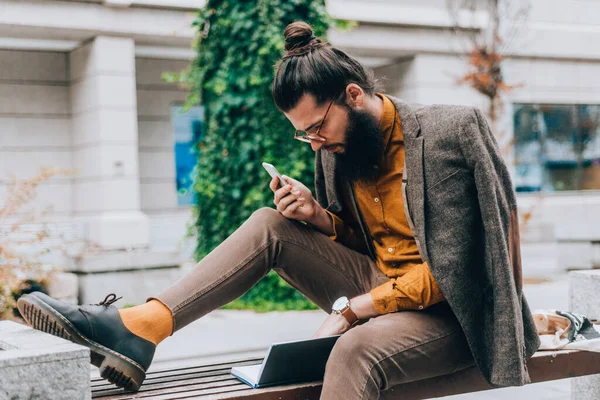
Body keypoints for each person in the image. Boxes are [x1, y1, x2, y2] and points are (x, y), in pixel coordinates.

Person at [17, 21, 540, 399]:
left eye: (316, 127)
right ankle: (141, 326)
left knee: (354, 352)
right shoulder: (340, 149)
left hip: (456, 316)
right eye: (302, 133)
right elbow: (365, 244)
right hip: (385, 289)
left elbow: (461, 271)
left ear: (354, 95)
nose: (312, 143)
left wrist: (352, 311)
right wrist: (317, 217)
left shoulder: (451, 131)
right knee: (273, 223)